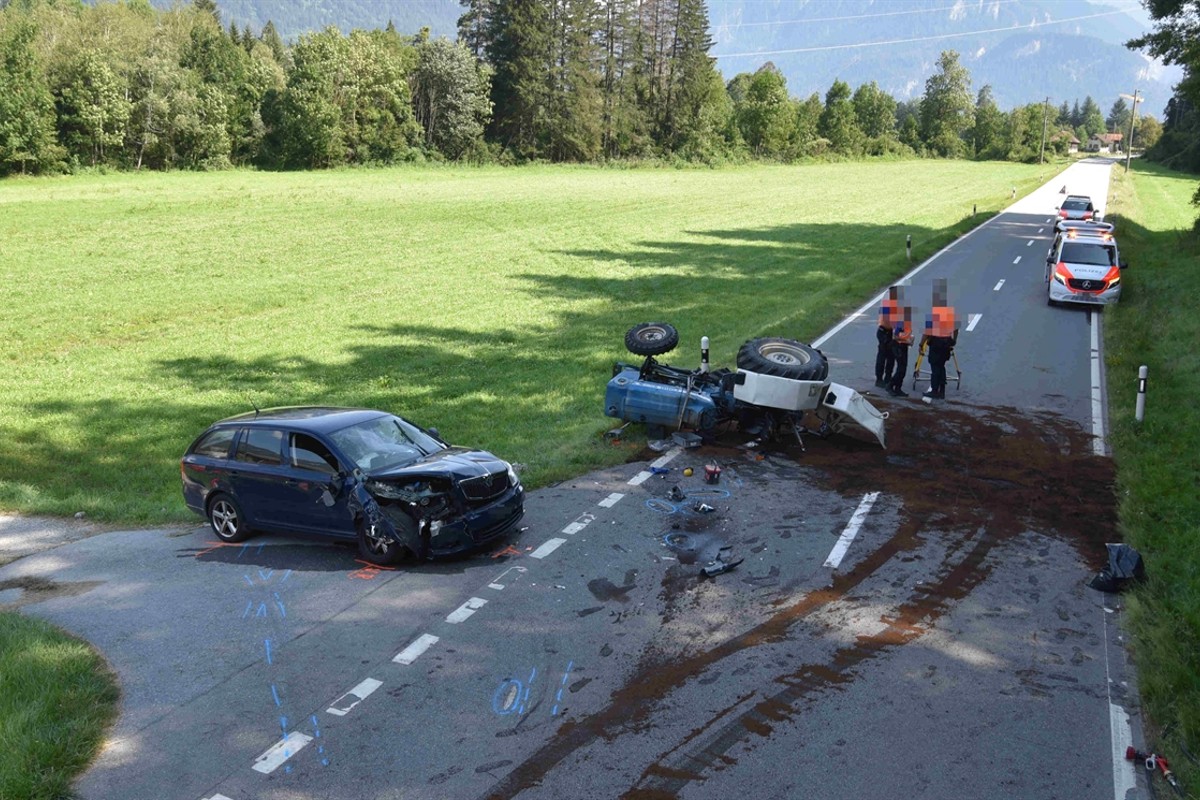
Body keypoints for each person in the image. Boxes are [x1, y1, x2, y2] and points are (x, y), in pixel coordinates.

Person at [921, 279, 958, 402]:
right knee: (941, 366)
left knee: (935, 367)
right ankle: (942, 390)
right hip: (946, 342)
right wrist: (953, 340)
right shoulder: (950, 311)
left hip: (936, 343)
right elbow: (956, 328)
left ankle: (935, 390)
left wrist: (921, 344)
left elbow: (927, 332)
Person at [875, 286, 900, 388]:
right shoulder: (887, 303)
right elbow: (887, 321)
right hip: (885, 332)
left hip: (889, 332)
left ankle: (888, 377)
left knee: (891, 357)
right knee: (883, 356)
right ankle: (879, 378)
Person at [887, 305, 914, 397]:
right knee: (901, 369)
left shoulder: (907, 323)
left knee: (903, 369)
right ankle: (890, 385)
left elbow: (906, 334)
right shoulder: (900, 323)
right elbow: (895, 336)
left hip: (904, 346)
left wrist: (909, 339)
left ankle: (898, 388)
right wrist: (906, 340)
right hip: (898, 346)